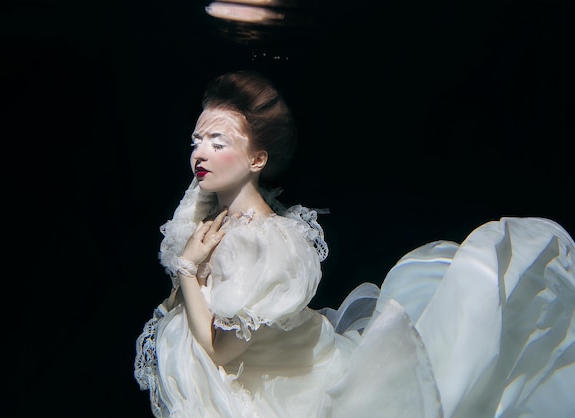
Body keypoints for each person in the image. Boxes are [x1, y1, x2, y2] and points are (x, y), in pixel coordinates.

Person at [134, 69, 575, 418]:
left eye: (218, 141)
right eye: (197, 140)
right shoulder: (207, 210)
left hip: (274, 392)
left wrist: (190, 270)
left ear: (257, 159)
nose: (200, 153)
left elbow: (219, 350)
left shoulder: (273, 246)